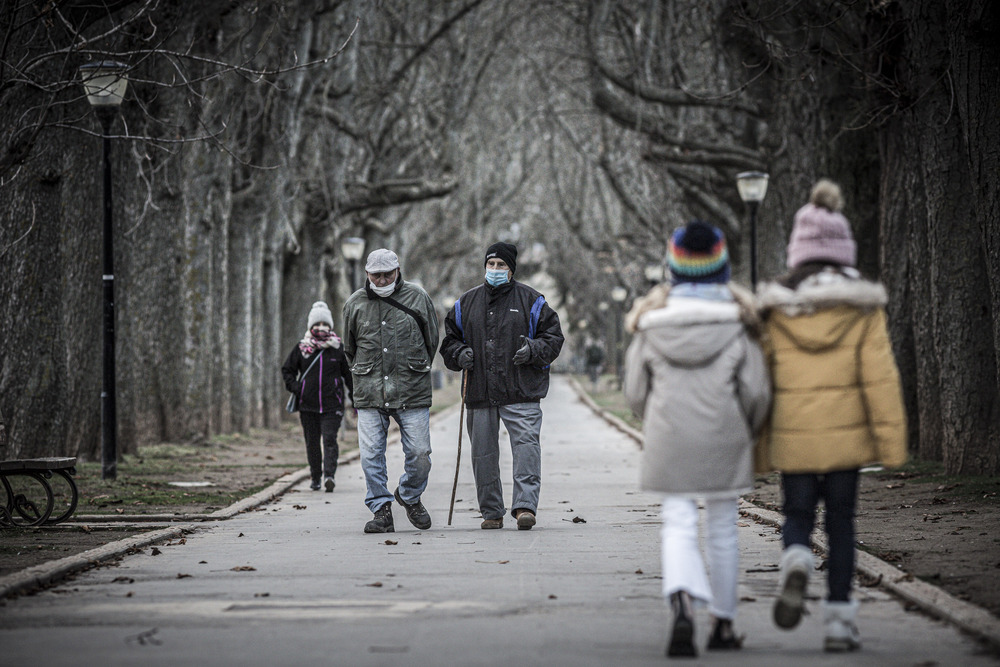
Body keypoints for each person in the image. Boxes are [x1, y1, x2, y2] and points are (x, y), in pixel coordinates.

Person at [756, 179, 907, 652]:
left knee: (796, 514)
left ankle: (797, 559)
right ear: (844, 251)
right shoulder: (863, 308)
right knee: (842, 524)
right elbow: (880, 380)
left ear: (798, 251)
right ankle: (840, 622)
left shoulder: (775, 310)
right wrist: (891, 443)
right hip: (846, 442)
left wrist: (759, 441)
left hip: (794, 437)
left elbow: (761, 381)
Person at [623, 221, 770, 658]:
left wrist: (653, 421)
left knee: (679, 524)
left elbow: (634, 393)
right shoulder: (740, 325)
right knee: (724, 530)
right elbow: (757, 393)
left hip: (670, 437)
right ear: (722, 269)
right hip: (725, 436)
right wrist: (748, 431)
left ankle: (682, 601)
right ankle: (722, 623)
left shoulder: (650, 325)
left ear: (674, 269)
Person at [439, 242, 564, 530]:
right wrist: (459, 354)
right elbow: (449, 341)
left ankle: (524, 507)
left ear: (511, 269)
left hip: (521, 389)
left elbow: (554, 338)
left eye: (501, 265)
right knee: (483, 453)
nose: (495, 270)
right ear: (485, 266)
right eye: (491, 264)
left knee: (526, 448)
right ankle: (491, 511)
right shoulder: (465, 303)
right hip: (479, 391)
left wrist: (533, 350)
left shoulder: (532, 301)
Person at [342, 248, 439, 533]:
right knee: (371, 454)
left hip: (412, 389)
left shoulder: (418, 297)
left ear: (398, 272)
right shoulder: (355, 304)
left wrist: (413, 366)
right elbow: (349, 348)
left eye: (387, 274)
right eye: (376, 275)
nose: (382, 280)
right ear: (367, 274)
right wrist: (364, 372)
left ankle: (409, 494)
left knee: (420, 453)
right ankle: (381, 509)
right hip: (370, 390)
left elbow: (431, 340)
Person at [281, 301, 353, 492]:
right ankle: (315, 477)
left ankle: (329, 475)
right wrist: (297, 388)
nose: (321, 328)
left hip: (332, 405)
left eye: (324, 324)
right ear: (310, 326)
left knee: (330, 440)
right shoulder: (302, 349)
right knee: (312, 443)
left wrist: (355, 401)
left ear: (330, 326)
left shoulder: (338, 349)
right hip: (308, 406)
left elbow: (349, 376)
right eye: (317, 325)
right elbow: (287, 370)